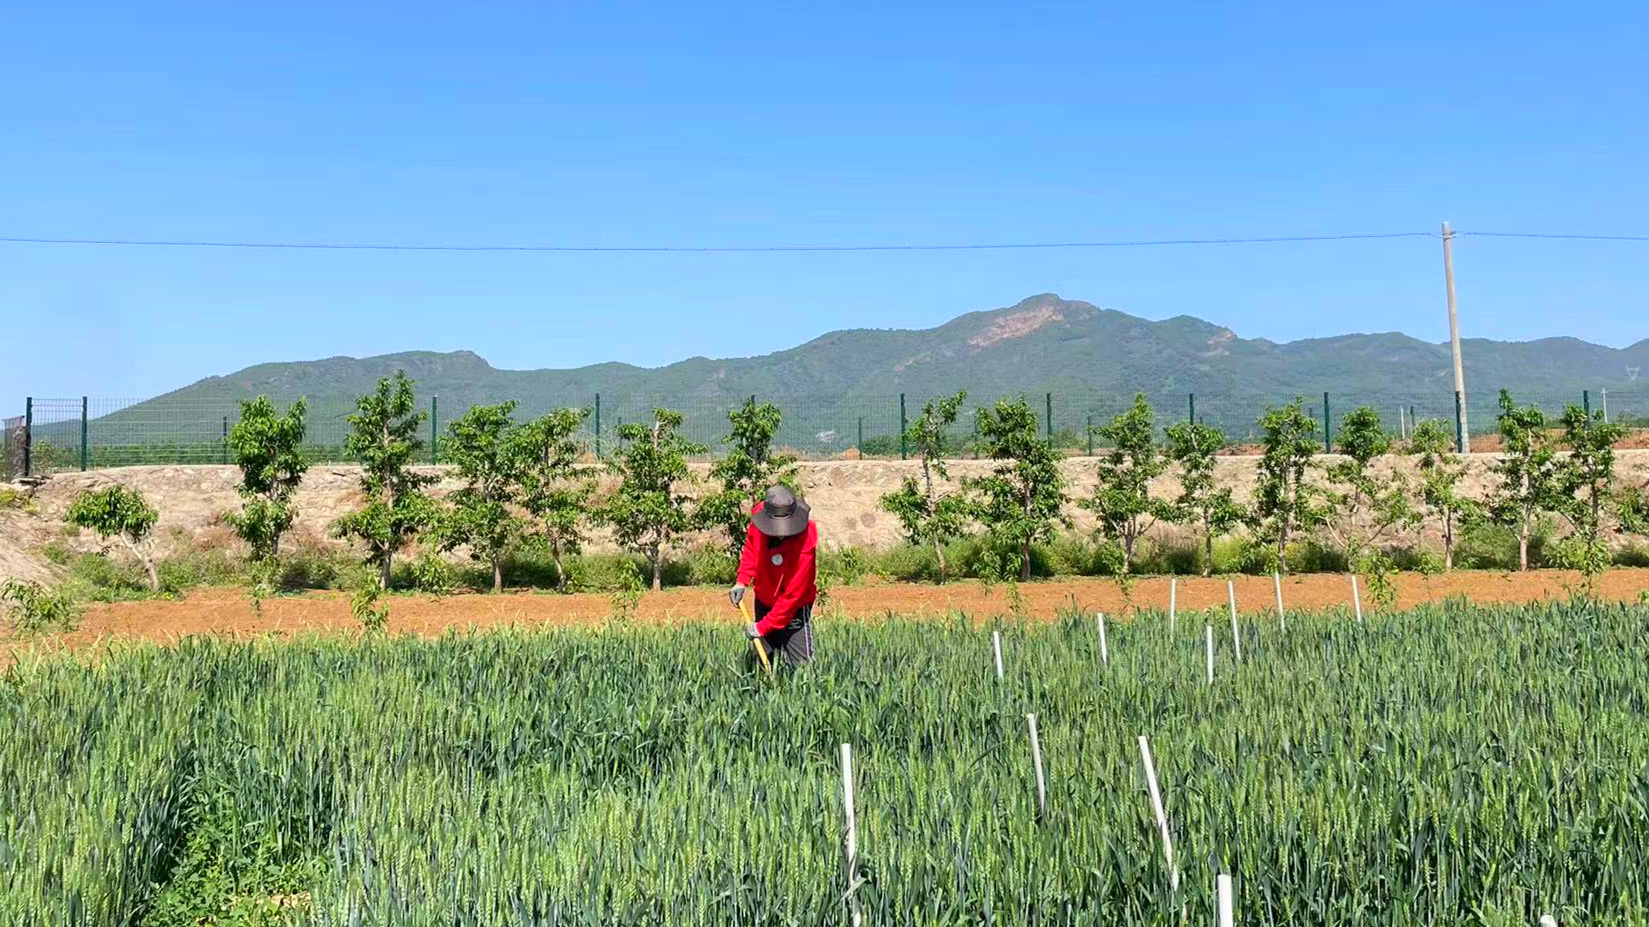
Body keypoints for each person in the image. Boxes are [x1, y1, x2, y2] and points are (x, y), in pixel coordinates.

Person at [729, 484, 817, 665]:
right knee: (761, 664)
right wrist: (742, 580)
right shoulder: (759, 518)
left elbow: (793, 596)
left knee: (801, 668)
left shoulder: (805, 544)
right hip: (764, 599)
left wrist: (762, 627)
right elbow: (751, 548)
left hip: (794, 609)